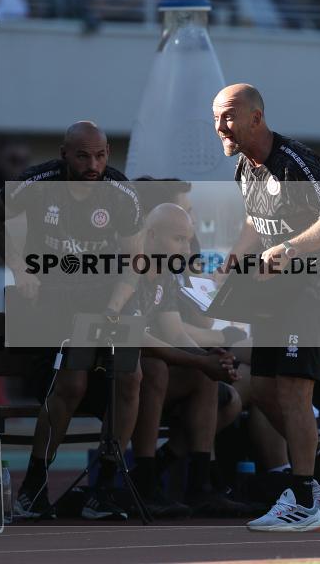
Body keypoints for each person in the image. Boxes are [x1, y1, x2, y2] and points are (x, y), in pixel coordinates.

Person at [0, 121, 142, 521]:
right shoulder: (37, 184)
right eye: (84, 156)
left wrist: (116, 306)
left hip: (107, 297)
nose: (93, 164)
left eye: (101, 155)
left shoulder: (121, 193)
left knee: (132, 378)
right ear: (64, 153)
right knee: (72, 381)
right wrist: (19, 268)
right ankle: (33, 489)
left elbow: (135, 261)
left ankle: (103, 488)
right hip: (55, 298)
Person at [212, 83, 320, 532]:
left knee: (293, 391)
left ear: (256, 118)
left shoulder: (297, 162)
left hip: (314, 292)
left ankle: (303, 498)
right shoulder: (243, 168)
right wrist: (235, 256)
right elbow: (257, 221)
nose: (220, 126)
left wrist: (290, 248)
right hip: (276, 292)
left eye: (229, 116)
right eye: (215, 117)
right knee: (265, 388)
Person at [128, 203, 245, 518]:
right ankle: (145, 479)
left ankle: (201, 485)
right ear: (151, 235)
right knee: (156, 367)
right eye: (178, 239)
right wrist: (202, 359)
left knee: (204, 372)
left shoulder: (163, 274)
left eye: (188, 240)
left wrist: (210, 359)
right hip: (115, 375)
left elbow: (175, 333)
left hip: (147, 374)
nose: (186, 247)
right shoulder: (129, 269)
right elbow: (138, 339)